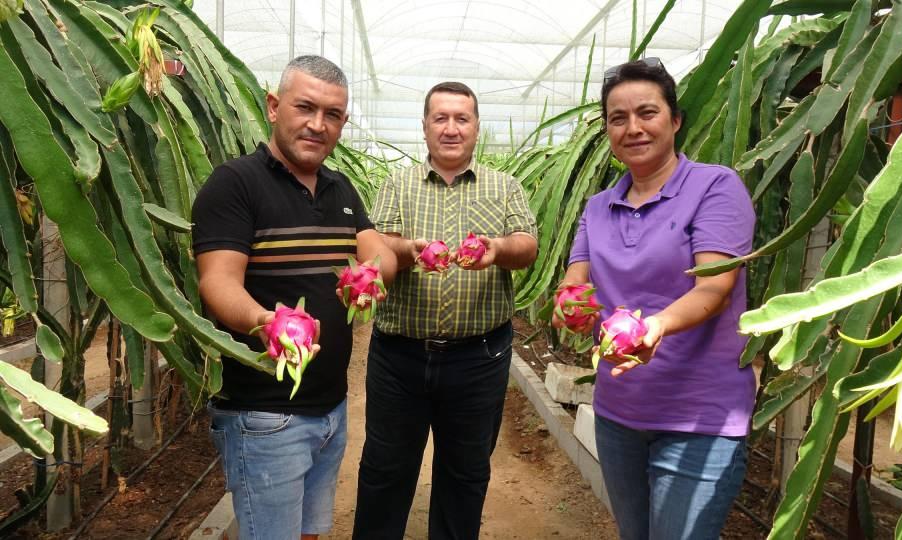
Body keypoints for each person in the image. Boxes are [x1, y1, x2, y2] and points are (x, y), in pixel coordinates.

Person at [191, 55, 396, 540]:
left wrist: (370, 275)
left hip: (330, 409)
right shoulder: (234, 184)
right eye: (305, 107)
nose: (317, 124)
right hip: (264, 414)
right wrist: (267, 322)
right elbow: (217, 281)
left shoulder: (339, 187)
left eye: (333, 115)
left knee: (309, 533)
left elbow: (378, 252)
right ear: (273, 106)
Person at [556, 59, 756, 539]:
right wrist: (572, 307)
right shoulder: (597, 207)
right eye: (617, 118)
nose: (633, 128)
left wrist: (656, 327)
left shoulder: (716, 186)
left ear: (675, 119)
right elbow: (575, 277)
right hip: (619, 411)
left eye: (647, 112)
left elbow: (714, 285)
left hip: (700, 416)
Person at [352, 81, 538, 539]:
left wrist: (496, 248)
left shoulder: (505, 187)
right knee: (385, 470)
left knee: (466, 473)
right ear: (425, 127)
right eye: (441, 118)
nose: (451, 129)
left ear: (476, 127)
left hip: (479, 358)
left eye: (462, 118)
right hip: (399, 356)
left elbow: (528, 245)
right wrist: (407, 248)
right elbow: (376, 247)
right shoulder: (397, 186)